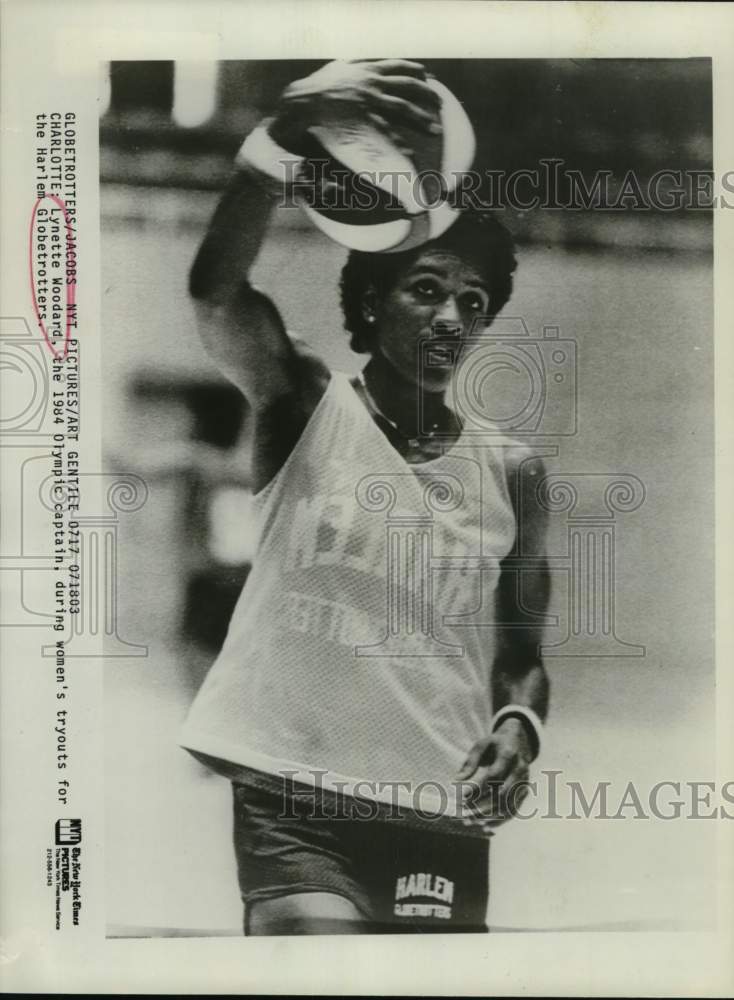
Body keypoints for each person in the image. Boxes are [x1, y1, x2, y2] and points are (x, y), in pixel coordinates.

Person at [180, 59, 550, 936]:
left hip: (438, 793)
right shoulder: (301, 402)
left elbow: (524, 649)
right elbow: (215, 291)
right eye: (427, 290)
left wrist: (518, 724)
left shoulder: (513, 470)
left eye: (473, 300)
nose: (453, 317)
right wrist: (276, 148)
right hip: (293, 793)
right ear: (372, 301)